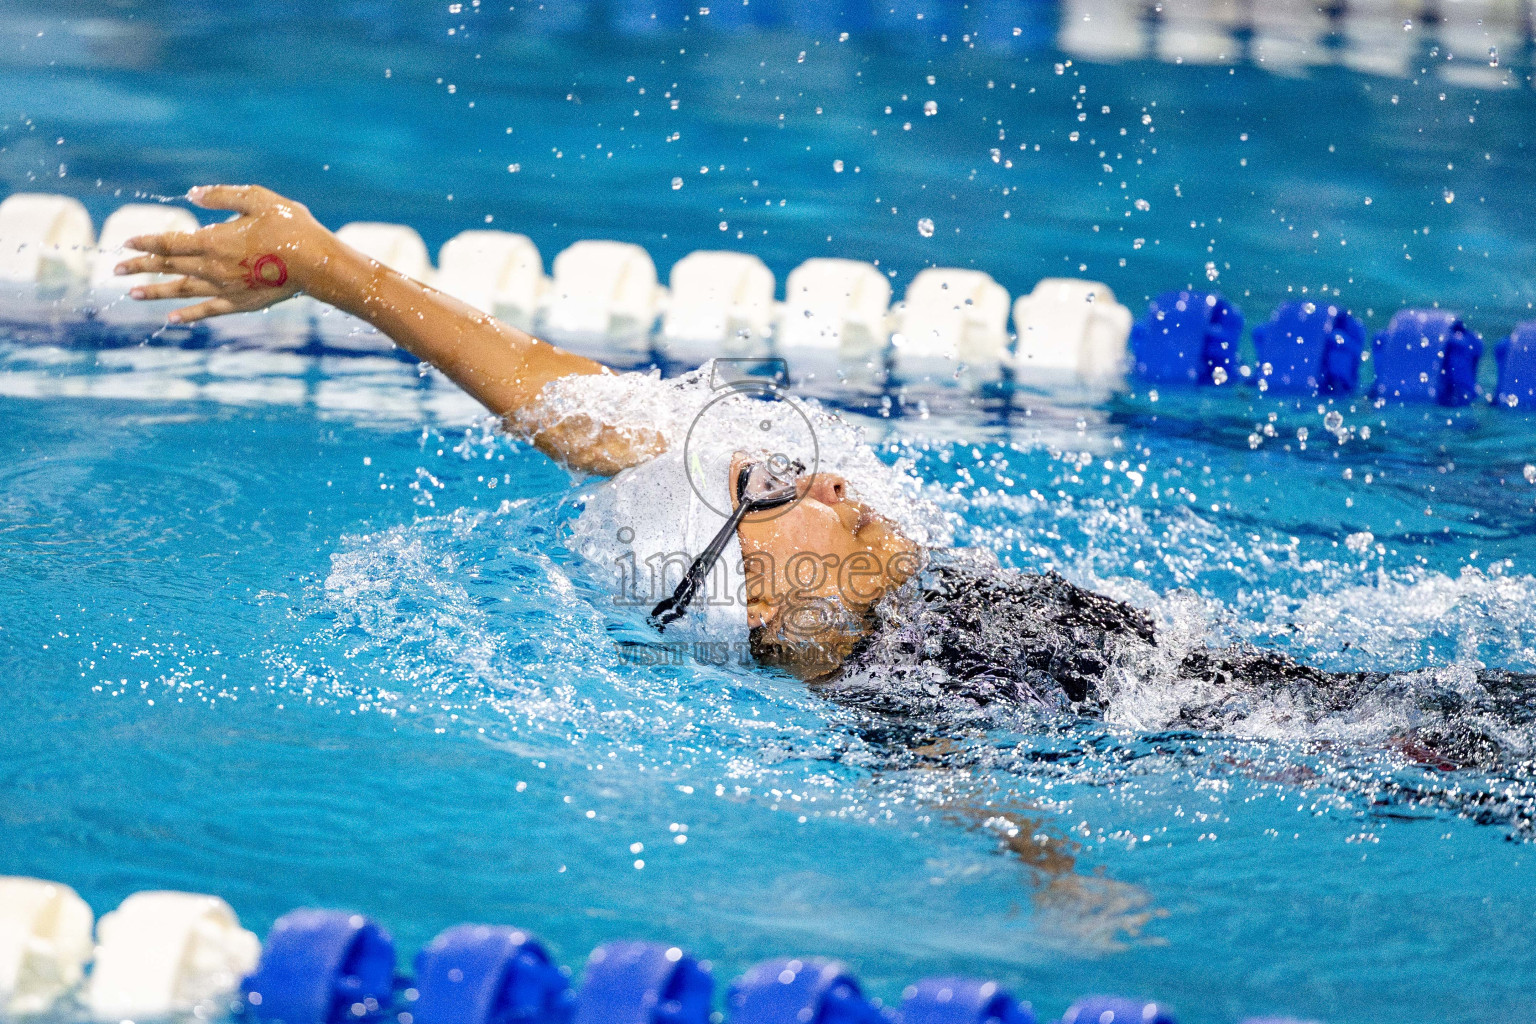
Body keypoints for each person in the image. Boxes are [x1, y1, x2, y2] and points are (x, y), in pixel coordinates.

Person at [119, 184, 1536, 785]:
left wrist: (336, 272)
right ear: (743, 586)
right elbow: (959, 793)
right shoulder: (884, 695)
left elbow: (567, 399)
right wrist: (1049, 868)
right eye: (790, 488)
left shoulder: (866, 594)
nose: (845, 488)